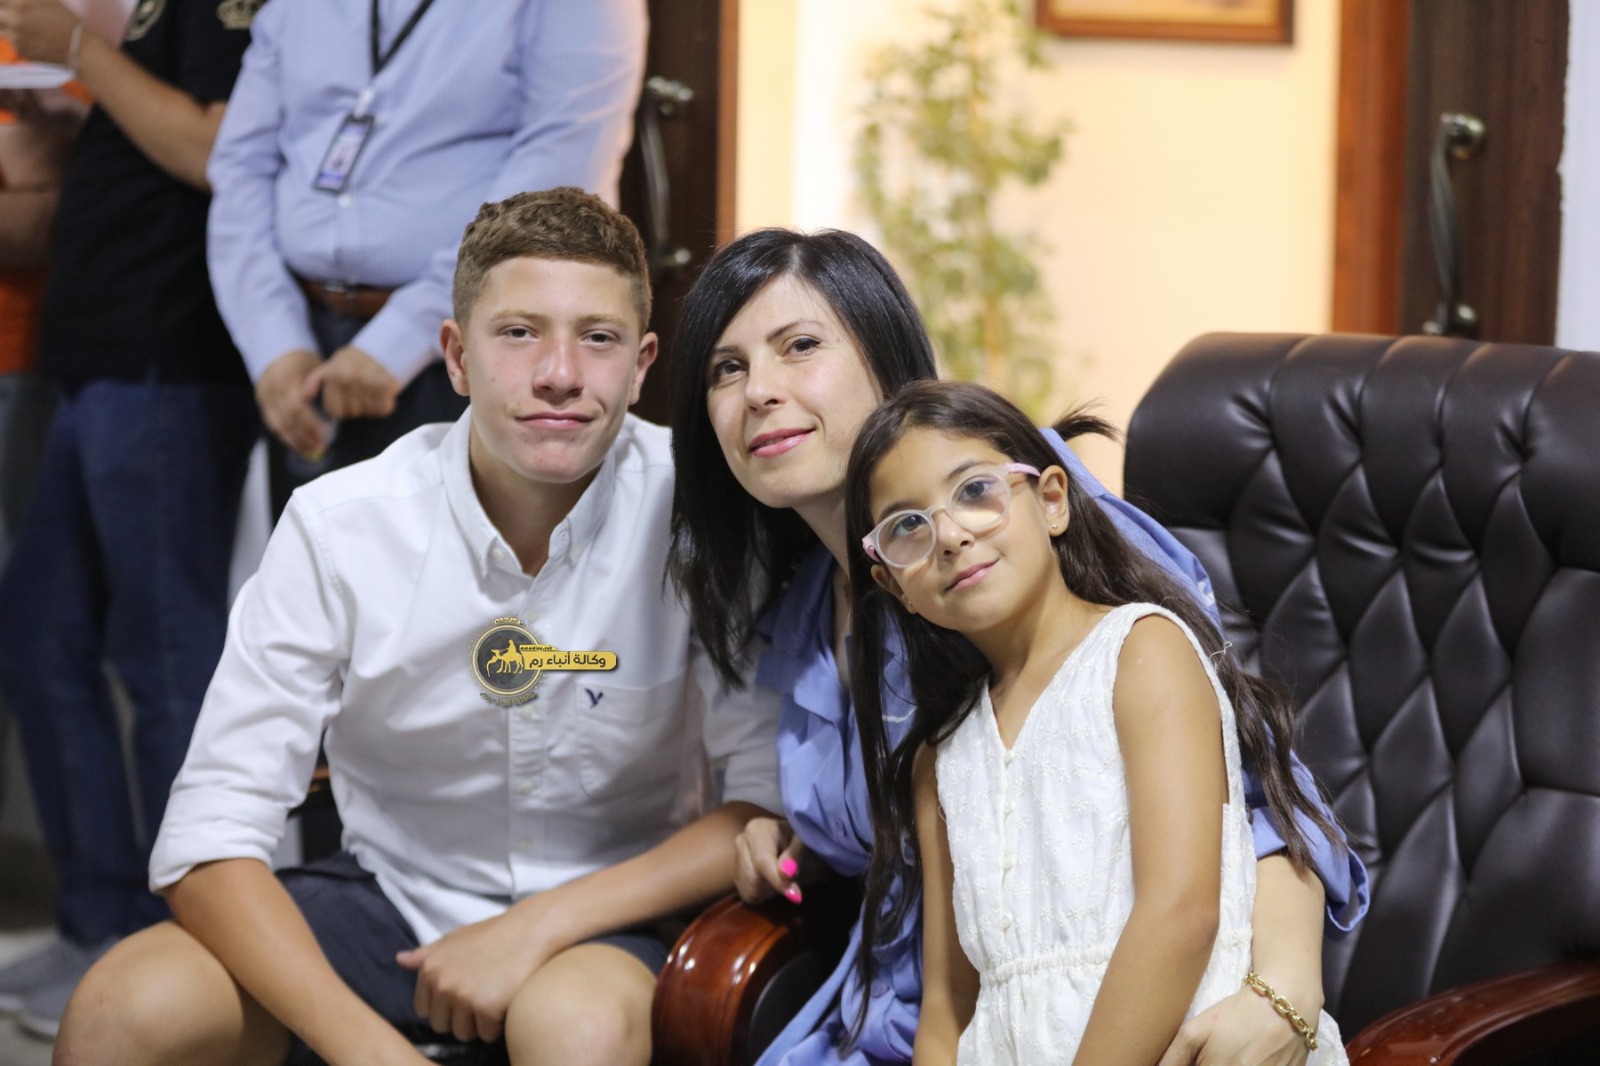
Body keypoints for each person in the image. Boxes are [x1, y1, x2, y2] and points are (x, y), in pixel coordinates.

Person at [53, 187, 781, 1066]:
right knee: (121, 1009)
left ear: (641, 364)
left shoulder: (706, 516)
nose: (559, 372)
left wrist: (535, 927)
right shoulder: (339, 525)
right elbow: (207, 836)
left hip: (610, 918)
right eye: (519, 333)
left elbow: (763, 802)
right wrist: (368, 1051)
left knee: (576, 1025)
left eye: (598, 337)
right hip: (389, 900)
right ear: (457, 357)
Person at [666, 228, 1369, 1066]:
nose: (759, 392)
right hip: (909, 1024)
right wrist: (797, 844)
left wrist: (1285, 984)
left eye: (800, 346)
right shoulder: (801, 605)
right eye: (727, 368)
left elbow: (1249, 775)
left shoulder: (1009, 507)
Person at [844, 379, 1348, 1064]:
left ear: (1052, 500)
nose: (951, 536)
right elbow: (948, 1004)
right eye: (907, 527)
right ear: (893, 584)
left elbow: (1181, 913)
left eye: (975, 491)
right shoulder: (940, 760)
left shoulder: (1142, 652)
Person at [0, 0, 260, 1038]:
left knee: (165, 661)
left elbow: (218, 149)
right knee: (41, 636)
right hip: (97, 357)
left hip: (168, 356)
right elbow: (160, 123)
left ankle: (185, 941)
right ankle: (98, 917)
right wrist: (79, 112)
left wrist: (80, 53)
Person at [206, 0, 647, 515]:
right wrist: (274, 341)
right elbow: (239, 166)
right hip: (303, 340)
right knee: (318, 558)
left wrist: (396, 341)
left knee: (476, 561)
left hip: (470, 348)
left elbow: (554, 182)